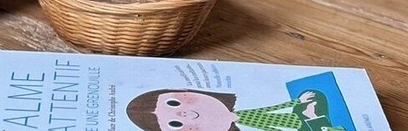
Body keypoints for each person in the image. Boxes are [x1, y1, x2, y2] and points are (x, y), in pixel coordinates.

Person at [125, 88, 345, 131]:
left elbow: (267, 111)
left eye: (174, 103)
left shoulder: (239, 114)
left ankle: (311, 119)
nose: (184, 114)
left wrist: (296, 103)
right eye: (175, 124)